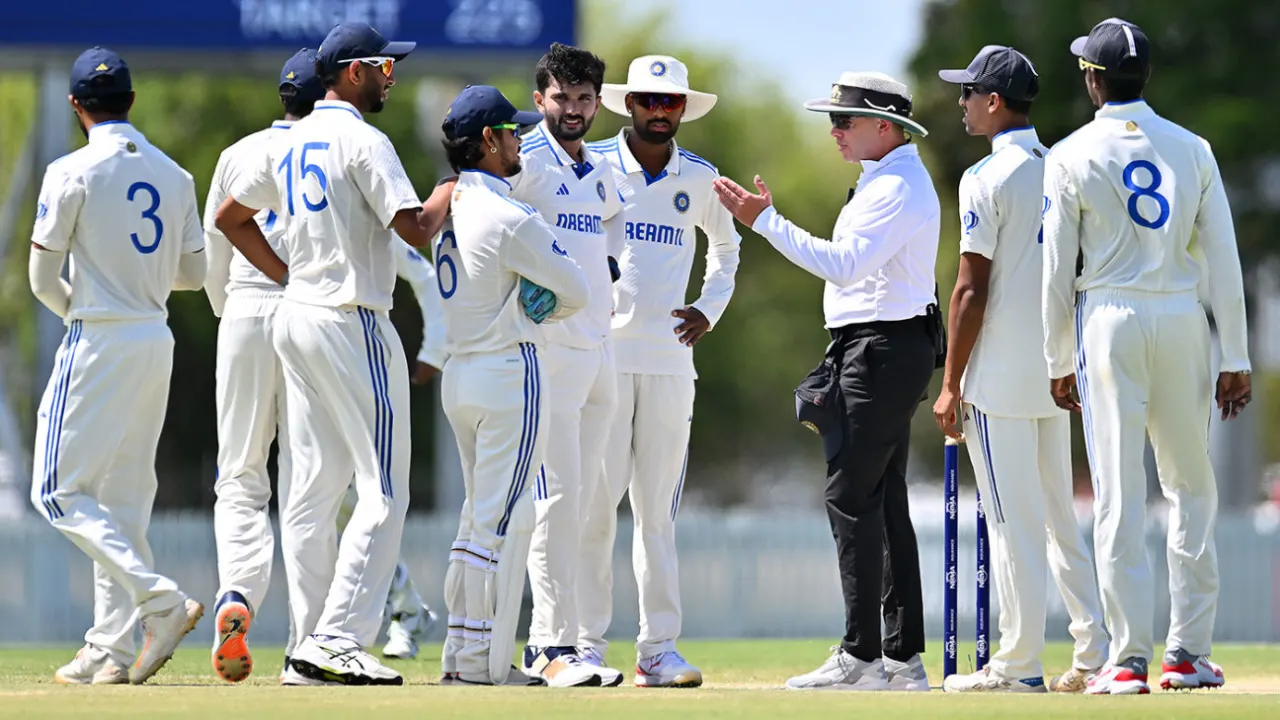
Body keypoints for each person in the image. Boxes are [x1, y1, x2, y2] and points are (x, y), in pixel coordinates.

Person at [214, 21, 452, 686]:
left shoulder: (291, 141)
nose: (391, 76)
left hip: (297, 316)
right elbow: (417, 227)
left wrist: (285, 275)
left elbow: (231, 217)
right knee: (383, 492)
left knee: (314, 493)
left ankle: (304, 647)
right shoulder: (362, 140)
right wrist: (456, 187)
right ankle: (338, 638)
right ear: (352, 71)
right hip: (352, 318)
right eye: (383, 65)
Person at [1043, 18, 1250, 695]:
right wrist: (1236, 354)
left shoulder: (1070, 153)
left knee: (1119, 496)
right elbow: (1222, 255)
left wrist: (1057, 358)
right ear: (1147, 77)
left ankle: (1127, 659)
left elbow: (1054, 270)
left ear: (1093, 81)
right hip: (1184, 319)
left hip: (1108, 319)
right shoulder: (1194, 148)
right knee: (1191, 487)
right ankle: (1187, 653)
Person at [714, 71, 938, 692]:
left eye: (845, 119)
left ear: (884, 126)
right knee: (882, 498)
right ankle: (898, 658)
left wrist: (766, 222)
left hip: (882, 348)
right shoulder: (884, 180)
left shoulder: (895, 185)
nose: (834, 130)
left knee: (852, 496)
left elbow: (843, 267)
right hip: (879, 346)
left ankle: (863, 655)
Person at [931, 45, 1110, 693]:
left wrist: (951, 382)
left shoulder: (986, 179)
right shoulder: (1066, 166)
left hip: (1000, 381)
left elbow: (970, 289)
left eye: (970, 92)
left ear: (995, 101)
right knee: (1061, 519)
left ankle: (1018, 663)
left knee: (1012, 525)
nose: (963, 103)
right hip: (1057, 373)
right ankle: (1092, 655)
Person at [29, 46, 206, 685]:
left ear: (78, 107)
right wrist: (140, 285)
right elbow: (194, 273)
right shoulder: (176, 175)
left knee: (55, 490)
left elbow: (41, 276)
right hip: (153, 335)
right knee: (124, 500)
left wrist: (89, 307)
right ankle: (108, 647)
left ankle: (157, 602)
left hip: (97, 336)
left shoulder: (69, 171)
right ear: (131, 101)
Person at [581, 54, 741, 689]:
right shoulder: (589, 165)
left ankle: (658, 650)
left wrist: (709, 308)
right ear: (628, 105)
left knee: (657, 513)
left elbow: (727, 249)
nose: (659, 111)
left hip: (673, 363)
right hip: (604, 358)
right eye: (648, 100)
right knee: (595, 506)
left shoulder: (700, 178)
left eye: (670, 102)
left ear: (681, 109)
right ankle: (586, 645)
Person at [434, 84, 590, 686]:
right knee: (503, 520)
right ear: (487, 142)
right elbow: (575, 288)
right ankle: (482, 664)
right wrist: (539, 305)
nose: (519, 139)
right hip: (507, 372)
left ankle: (462, 653)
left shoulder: (452, 207)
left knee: (478, 517)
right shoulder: (509, 213)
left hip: (460, 374)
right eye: (510, 131)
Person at [202, 47, 325, 686]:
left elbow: (214, 259)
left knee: (241, 475)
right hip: (311, 311)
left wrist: (236, 317)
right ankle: (308, 644)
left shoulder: (239, 152)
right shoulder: (336, 146)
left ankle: (237, 596)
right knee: (310, 479)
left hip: (247, 308)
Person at [505, 42, 624, 688]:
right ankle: (546, 648)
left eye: (584, 100)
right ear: (539, 99)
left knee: (581, 508)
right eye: (562, 98)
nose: (573, 110)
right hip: (550, 354)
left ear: (597, 104)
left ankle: (571, 645)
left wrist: (608, 272)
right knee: (554, 503)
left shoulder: (601, 170)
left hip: (600, 351)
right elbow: (479, 216)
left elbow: (611, 228)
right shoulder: (523, 163)